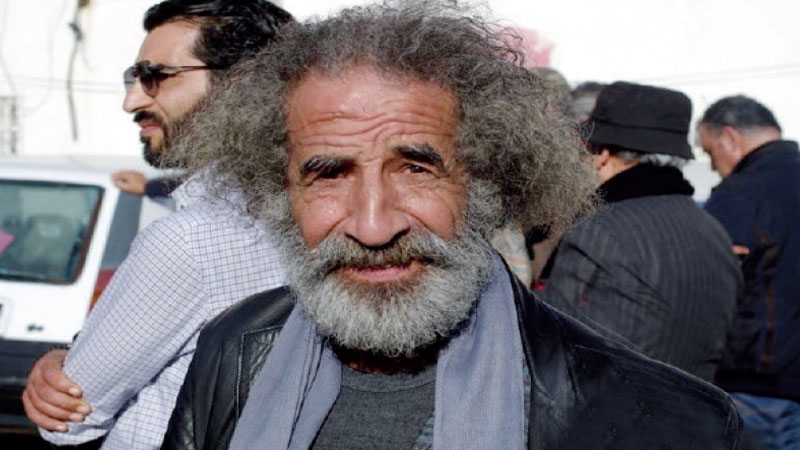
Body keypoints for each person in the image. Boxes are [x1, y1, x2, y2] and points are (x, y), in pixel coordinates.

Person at [160, 4, 741, 449]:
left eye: (416, 169)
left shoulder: (661, 420)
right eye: (329, 174)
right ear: (279, 193)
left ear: (484, 183)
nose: (372, 226)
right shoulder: (235, 346)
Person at [21, 1, 293, 449]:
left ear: (242, 83)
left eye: (155, 76)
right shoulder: (321, 211)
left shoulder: (189, 241)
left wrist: (62, 362)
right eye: (133, 77)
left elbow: (68, 419)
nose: (132, 100)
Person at [543, 81, 742, 381]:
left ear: (602, 154)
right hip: (696, 407)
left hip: (613, 406)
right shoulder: (713, 231)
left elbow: (556, 349)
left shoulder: (598, 233)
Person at [698, 95, 800, 448]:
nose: (714, 167)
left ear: (730, 138)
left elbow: (710, 284)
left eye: (710, 153)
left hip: (757, 379)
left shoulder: (741, 193)